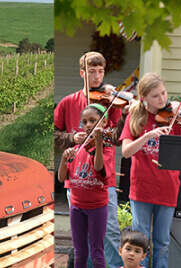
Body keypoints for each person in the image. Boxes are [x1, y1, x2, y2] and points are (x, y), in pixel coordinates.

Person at [119, 73, 181, 268]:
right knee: (140, 241)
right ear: (143, 98)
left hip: (167, 188)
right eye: (155, 96)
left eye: (163, 93)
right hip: (141, 188)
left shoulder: (175, 119)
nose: (162, 99)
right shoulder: (136, 117)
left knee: (162, 243)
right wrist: (147, 136)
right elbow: (126, 151)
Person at [54, 51, 124, 267]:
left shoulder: (109, 103)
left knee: (109, 232)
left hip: (103, 181)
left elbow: (117, 138)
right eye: (92, 71)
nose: (97, 77)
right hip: (75, 180)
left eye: (101, 72)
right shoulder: (67, 102)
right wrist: (72, 137)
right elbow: (55, 135)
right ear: (82, 73)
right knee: (81, 240)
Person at [59, 104, 117, 268]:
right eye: (85, 122)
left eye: (93, 120)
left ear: (104, 123)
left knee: (97, 251)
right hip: (76, 207)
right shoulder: (78, 148)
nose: (88, 125)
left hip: (97, 207)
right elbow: (62, 177)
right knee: (80, 252)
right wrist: (64, 159)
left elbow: (99, 167)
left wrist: (98, 144)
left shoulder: (107, 148)